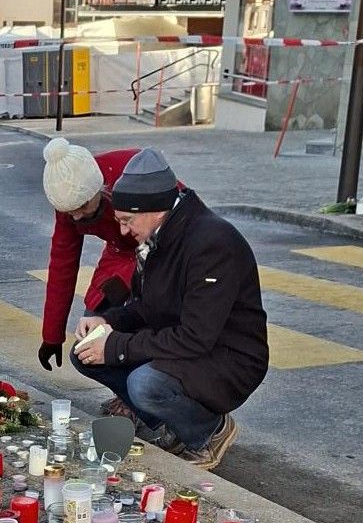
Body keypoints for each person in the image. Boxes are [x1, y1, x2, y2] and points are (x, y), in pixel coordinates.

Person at [70, 149, 268, 472]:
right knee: (84, 353)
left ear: (152, 210)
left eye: (126, 221)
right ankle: (174, 427)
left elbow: (195, 338)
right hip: (187, 344)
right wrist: (105, 320)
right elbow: (147, 307)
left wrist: (116, 347)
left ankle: (209, 431)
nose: (122, 232)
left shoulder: (210, 244)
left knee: (144, 384)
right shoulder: (160, 235)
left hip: (229, 357)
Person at [37, 138, 142, 373]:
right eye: (70, 212)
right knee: (89, 341)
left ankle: (139, 399)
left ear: (99, 188)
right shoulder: (69, 198)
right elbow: (62, 264)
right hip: (119, 254)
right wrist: (52, 335)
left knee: (138, 321)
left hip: (159, 251)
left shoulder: (131, 175)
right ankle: (124, 393)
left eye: (83, 207)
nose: (76, 217)